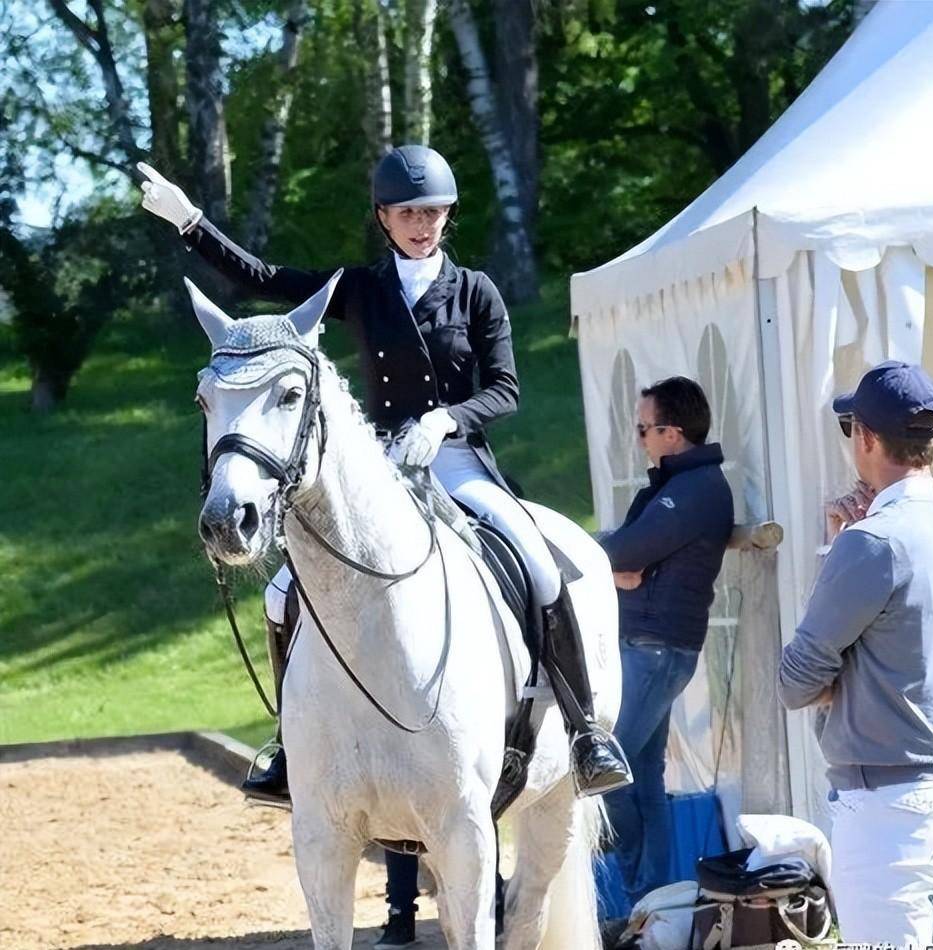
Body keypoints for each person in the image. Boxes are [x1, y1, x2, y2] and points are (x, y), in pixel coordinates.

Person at [138, 145, 631, 945]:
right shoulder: (360, 289)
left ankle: (583, 730)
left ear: (447, 216)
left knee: (539, 563)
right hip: (376, 469)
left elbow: (504, 388)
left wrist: (449, 420)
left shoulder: (477, 291)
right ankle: (289, 750)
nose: (422, 224)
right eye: (408, 213)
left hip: (459, 460)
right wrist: (190, 221)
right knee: (280, 589)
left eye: (434, 212)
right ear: (383, 218)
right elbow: (261, 279)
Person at [778, 361, 933, 948]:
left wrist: (842, 549)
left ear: (866, 438)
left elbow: (794, 682)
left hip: (888, 811)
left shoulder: (870, 541)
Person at [598, 377, 734, 908]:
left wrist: (618, 562)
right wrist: (619, 565)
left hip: (656, 648)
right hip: (651, 645)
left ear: (672, 433)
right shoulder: (673, 487)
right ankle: (653, 903)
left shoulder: (695, 490)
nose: (640, 440)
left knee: (609, 769)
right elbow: (624, 557)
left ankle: (640, 898)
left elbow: (625, 551)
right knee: (643, 777)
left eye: (642, 429)